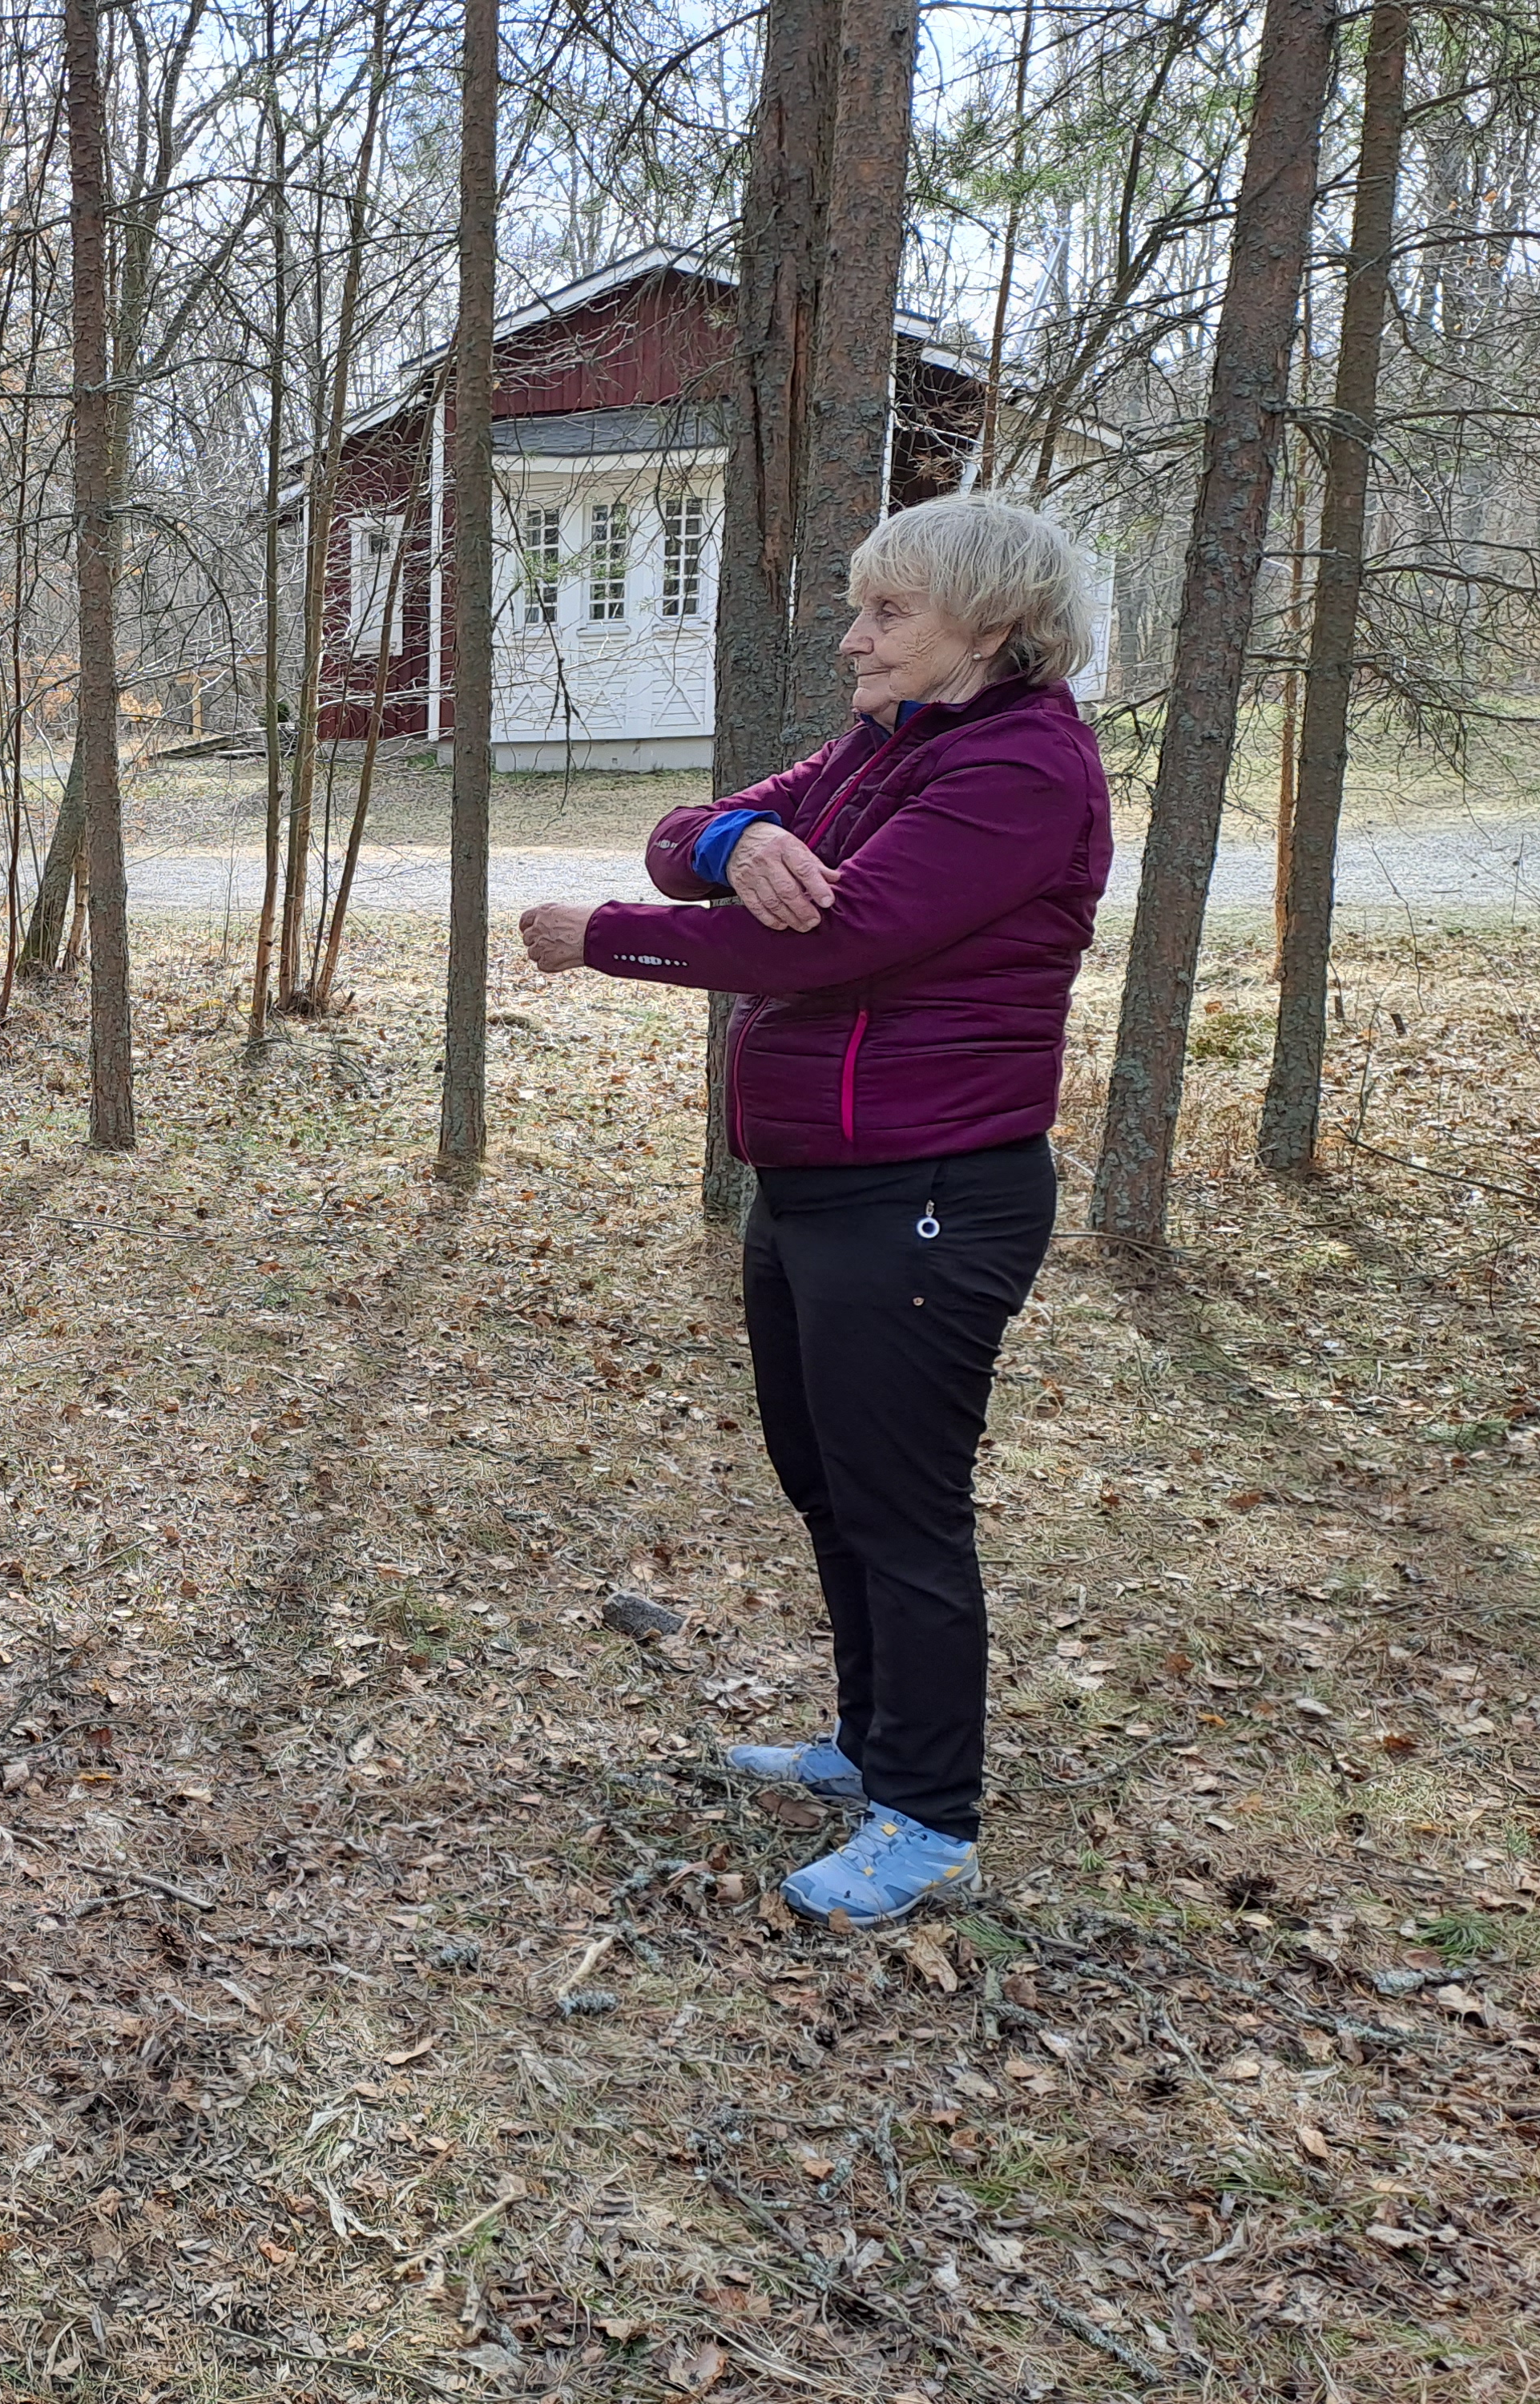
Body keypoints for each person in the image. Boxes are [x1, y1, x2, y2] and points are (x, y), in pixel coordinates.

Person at [516, 493, 1110, 1929]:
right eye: (859, 607)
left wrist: (606, 941)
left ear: (994, 626)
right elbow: (683, 829)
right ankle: (868, 1749)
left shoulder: (1022, 766)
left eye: (889, 613)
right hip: (816, 1182)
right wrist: (727, 850)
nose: (855, 638)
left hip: (929, 1190)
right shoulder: (878, 746)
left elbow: (843, 945)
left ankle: (930, 1815)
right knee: (824, 1478)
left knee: (903, 1507)